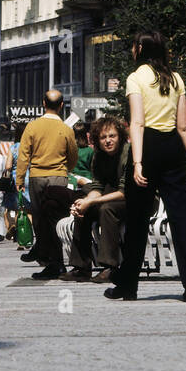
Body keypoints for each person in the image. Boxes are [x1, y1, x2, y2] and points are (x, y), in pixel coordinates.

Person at [107, 32, 186, 303]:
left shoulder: (136, 78)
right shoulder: (176, 78)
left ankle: (128, 286)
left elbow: (138, 123)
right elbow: (184, 126)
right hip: (173, 149)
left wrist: (138, 162)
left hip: (148, 146)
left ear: (140, 48)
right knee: (182, 218)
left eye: (133, 46)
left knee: (137, 220)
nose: (132, 50)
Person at [15, 91, 78, 280]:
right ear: (61, 106)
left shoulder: (32, 126)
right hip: (59, 177)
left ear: (43, 103)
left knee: (41, 219)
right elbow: (73, 155)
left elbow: (24, 154)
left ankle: (50, 259)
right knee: (57, 219)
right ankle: (55, 259)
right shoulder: (66, 129)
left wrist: (19, 179)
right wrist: (65, 168)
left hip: (37, 177)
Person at [60, 116, 127, 283]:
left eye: (112, 136)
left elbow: (124, 192)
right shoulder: (98, 157)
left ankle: (110, 267)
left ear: (120, 136)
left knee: (106, 209)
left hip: (136, 200)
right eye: (103, 137)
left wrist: (91, 201)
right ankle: (81, 267)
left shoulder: (129, 153)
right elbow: (96, 187)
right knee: (85, 210)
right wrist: (84, 203)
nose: (108, 141)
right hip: (110, 197)